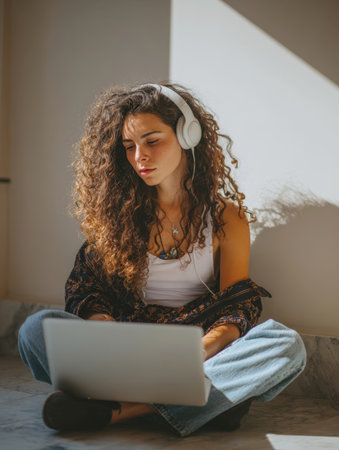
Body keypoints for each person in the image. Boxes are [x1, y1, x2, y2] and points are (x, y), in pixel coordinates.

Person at [18, 82, 306, 437]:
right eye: (129, 147)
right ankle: (201, 405)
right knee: (35, 329)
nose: (140, 156)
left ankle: (118, 411)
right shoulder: (116, 213)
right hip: (124, 351)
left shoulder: (226, 217)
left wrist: (199, 352)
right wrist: (102, 327)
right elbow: (86, 288)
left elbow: (238, 304)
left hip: (193, 354)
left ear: (187, 136)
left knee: (286, 344)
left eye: (152, 141)